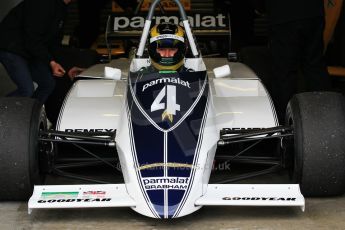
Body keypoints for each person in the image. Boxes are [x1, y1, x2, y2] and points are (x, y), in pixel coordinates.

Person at [265, 0, 331, 123]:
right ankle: (325, 118)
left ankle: (285, 124)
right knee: (315, 66)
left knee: (284, 72)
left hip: (283, 13)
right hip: (313, 11)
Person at [0, 0, 75, 104]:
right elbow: (32, 38)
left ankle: (32, 116)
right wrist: (51, 62)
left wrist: (68, 67)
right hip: (12, 47)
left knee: (48, 84)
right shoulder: (43, 3)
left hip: (30, 50)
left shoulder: (62, 8)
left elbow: (54, 44)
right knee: (26, 90)